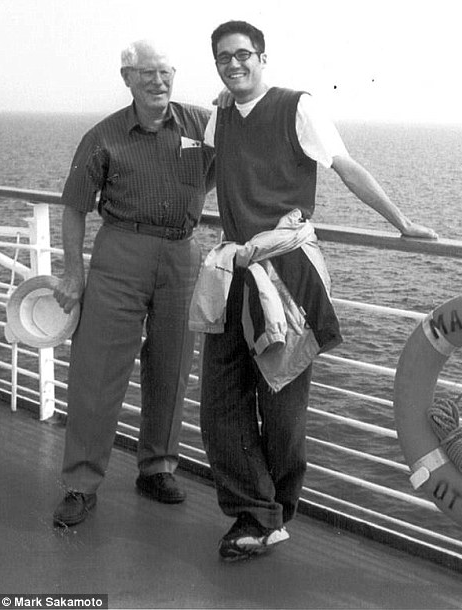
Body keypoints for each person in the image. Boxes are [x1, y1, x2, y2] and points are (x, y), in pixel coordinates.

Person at [197, 20, 438, 562]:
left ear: (262, 57)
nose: (234, 64)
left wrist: (402, 222)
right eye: (223, 58)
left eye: (243, 55)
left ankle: (273, 513)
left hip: (288, 272)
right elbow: (214, 169)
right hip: (235, 269)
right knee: (219, 404)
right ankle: (254, 513)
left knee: (283, 408)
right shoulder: (219, 117)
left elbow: (345, 167)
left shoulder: (297, 107)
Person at [52, 40, 214, 527]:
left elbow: (244, 146)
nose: (158, 82)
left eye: (165, 72)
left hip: (182, 253)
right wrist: (74, 274)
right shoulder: (102, 137)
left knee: (172, 364)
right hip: (121, 250)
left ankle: (157, 468)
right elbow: (75, 206)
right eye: (146, 74)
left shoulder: (202, 124)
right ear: (127, 78)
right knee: (97, 369)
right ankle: (80, 484)